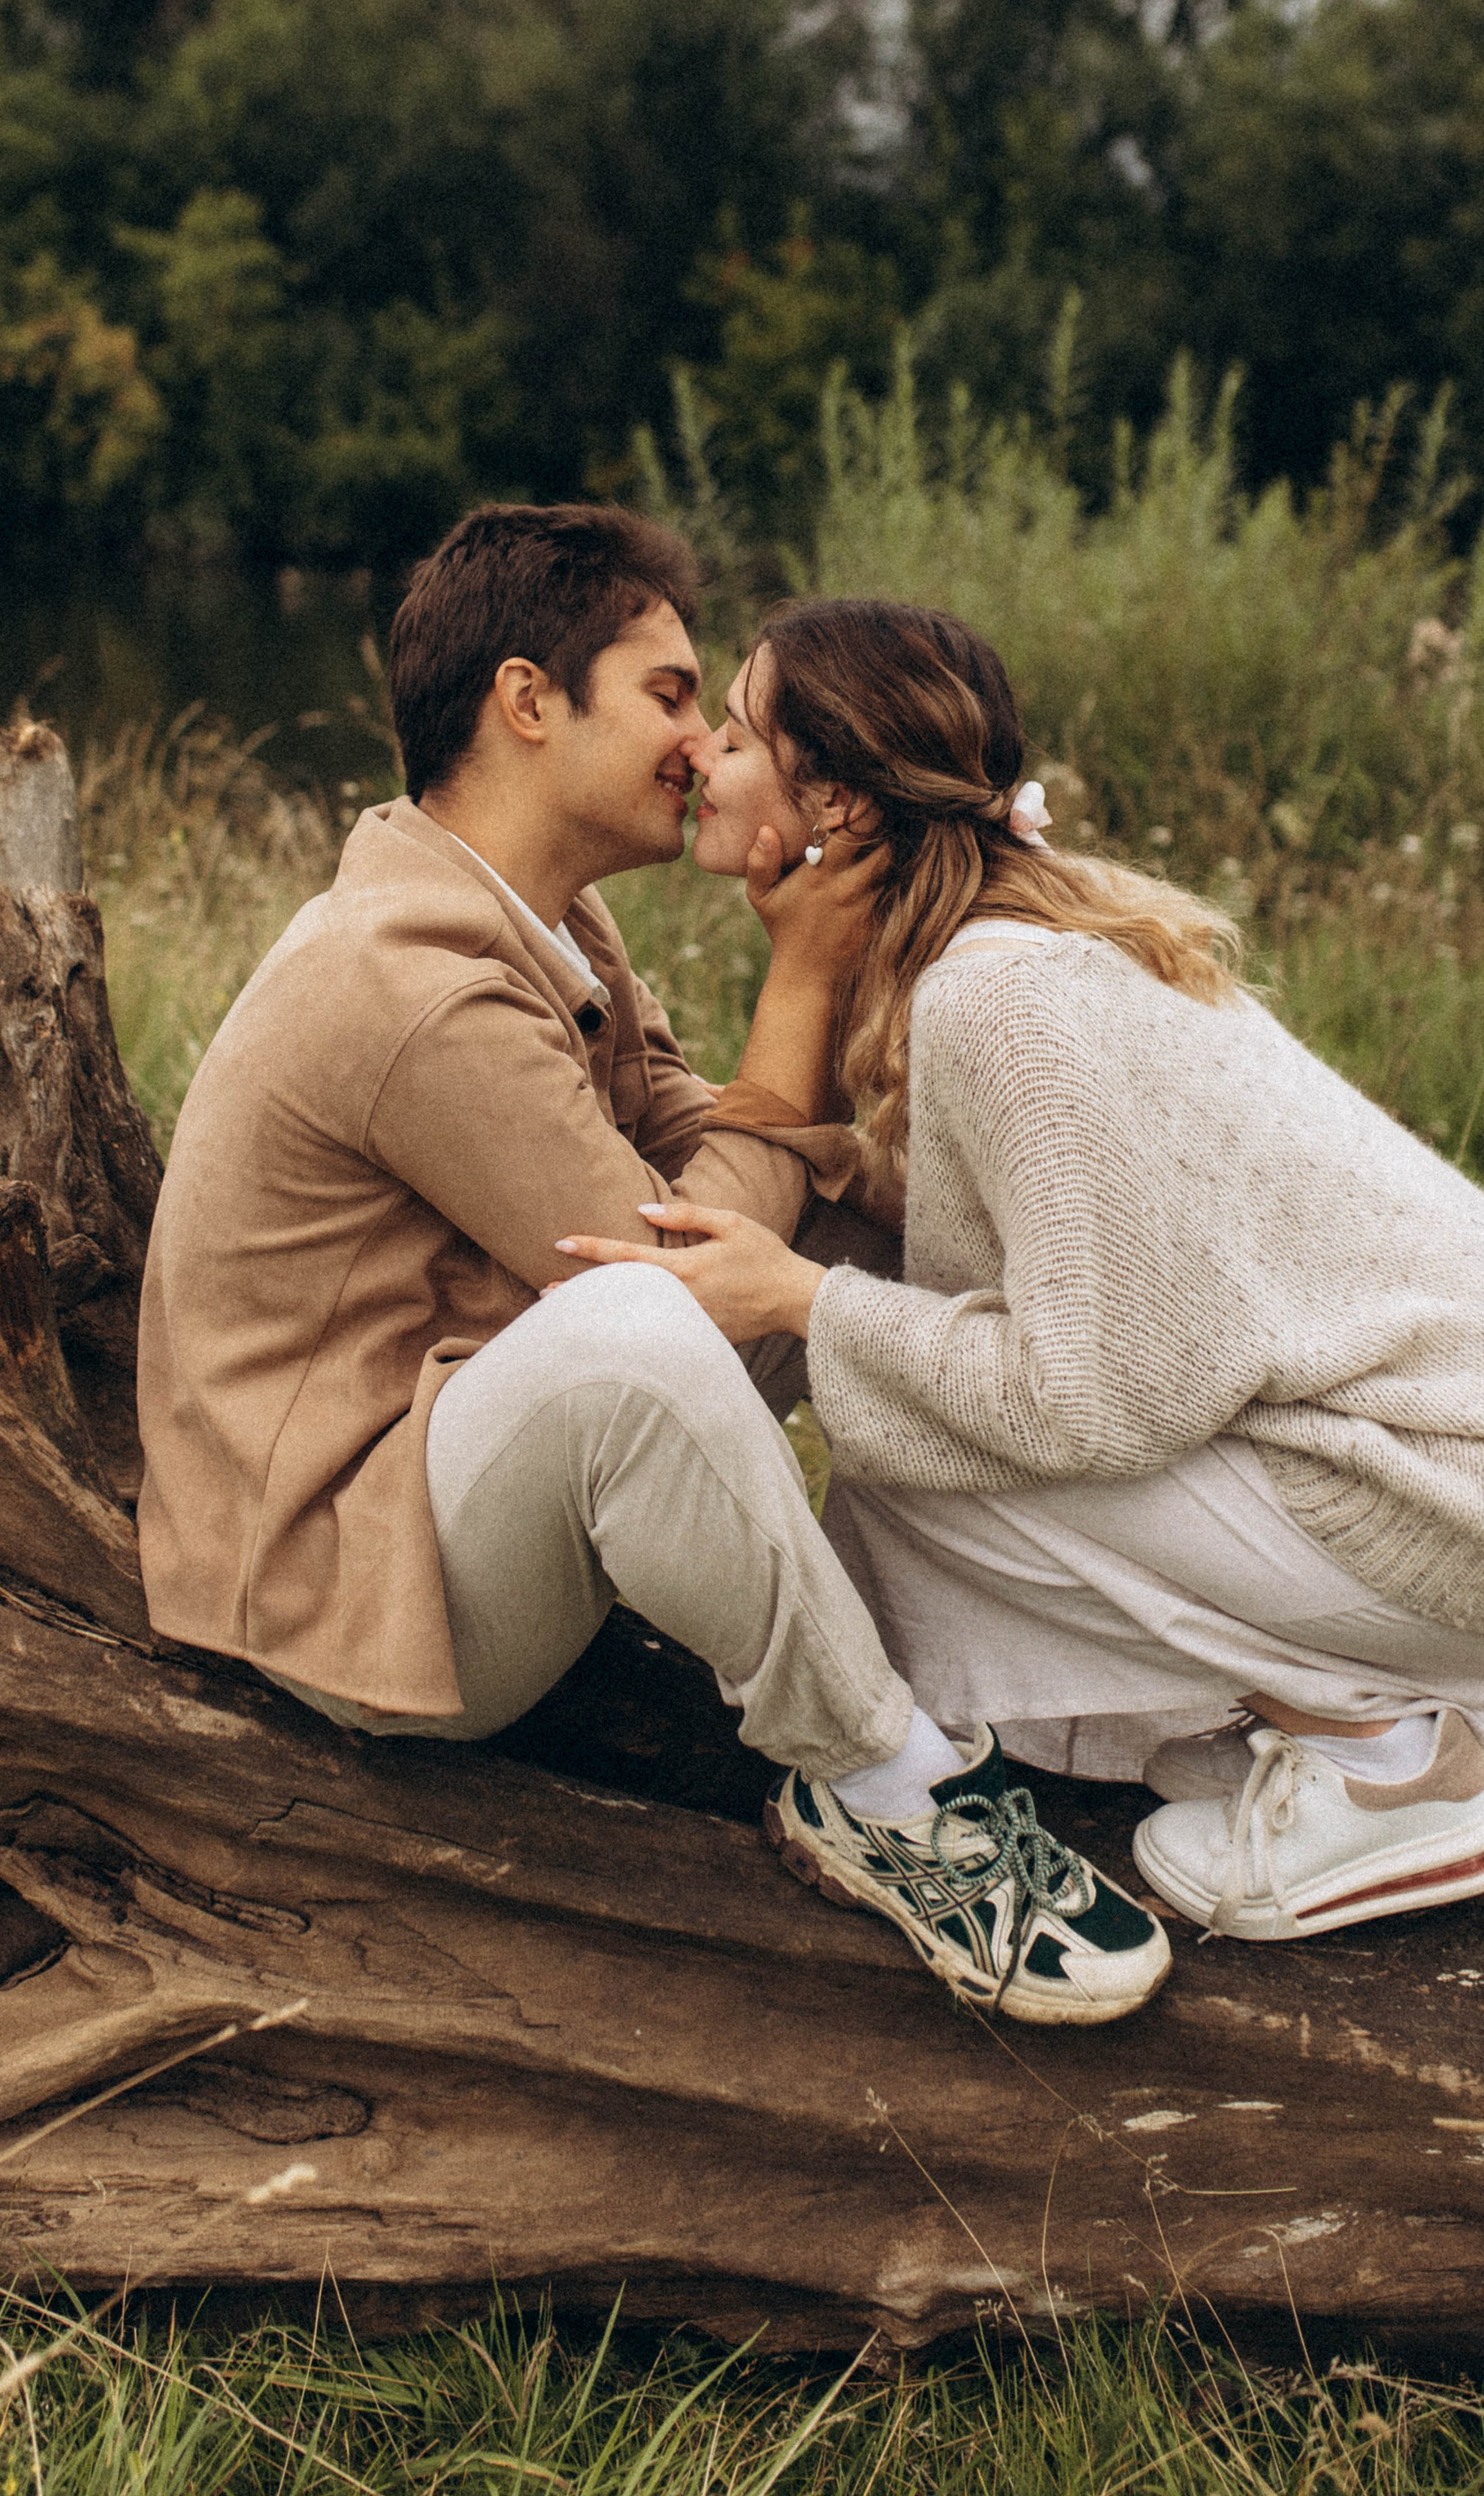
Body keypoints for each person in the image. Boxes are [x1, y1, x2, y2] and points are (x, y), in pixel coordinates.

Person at [137, 507, 1170, 2026]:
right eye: (671, 694)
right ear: (528, 701)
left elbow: (735, 1144)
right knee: (639, 1322)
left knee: (869, 1234)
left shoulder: (550, 924)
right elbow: (665, 1264)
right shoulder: (404, 977)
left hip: (465, 1460)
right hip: (345, 1577)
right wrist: (806, 977)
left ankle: (1062, 1673)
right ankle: (882, 1788)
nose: (702, 743)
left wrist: (955, 1181)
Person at [557, 597, 1484, 1944]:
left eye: (733, 732)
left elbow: (1089, 1390)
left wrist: (797, 1297)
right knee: (913, 1419)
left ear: (833, 800)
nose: (704, 760)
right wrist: (848, 1162)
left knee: (918, 1450)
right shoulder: (1009, 952)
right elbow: (1110, 1245)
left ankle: (1384, 1764)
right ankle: (1287, 1717)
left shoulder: (1001, 1001)